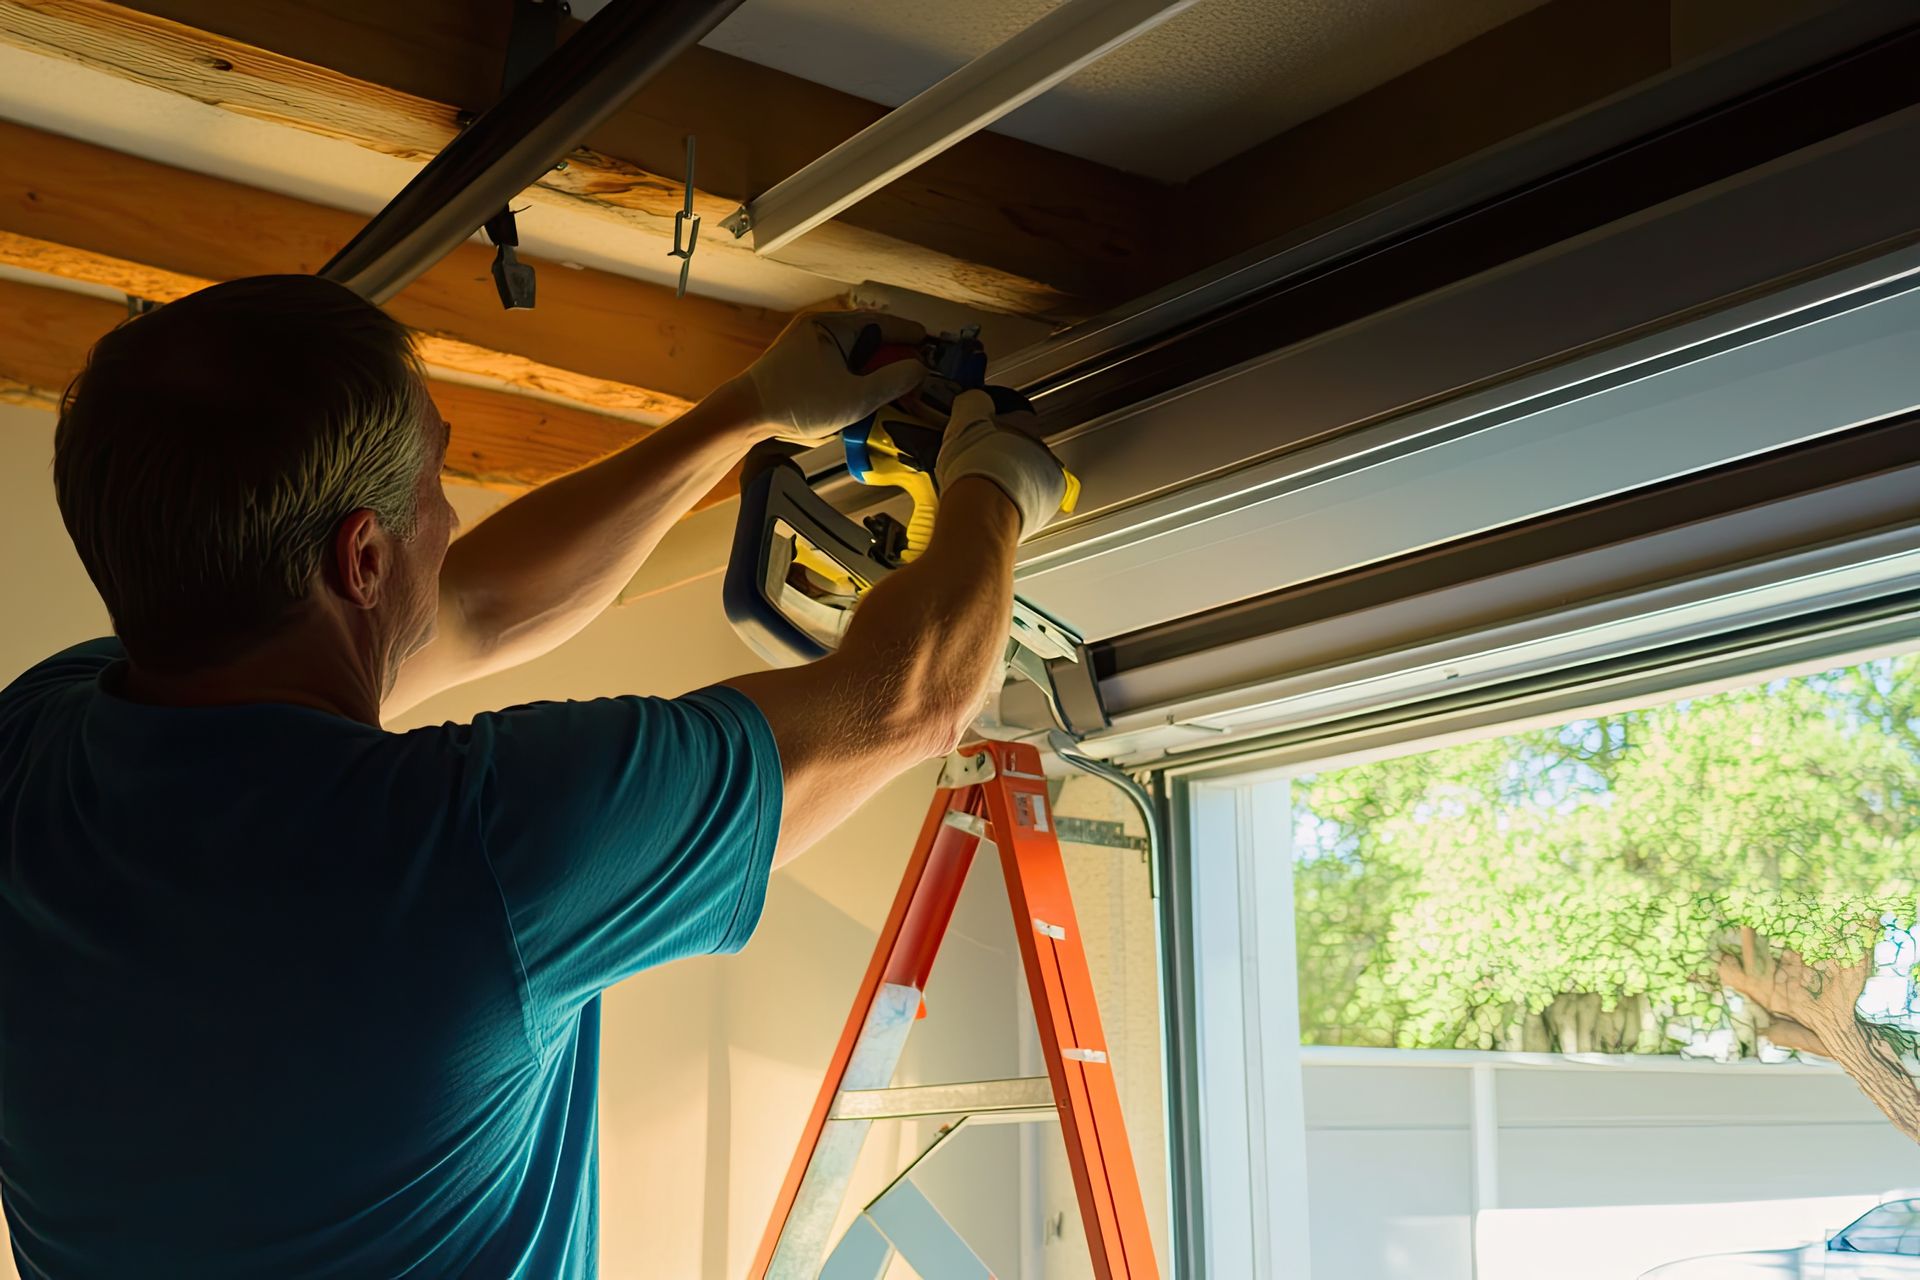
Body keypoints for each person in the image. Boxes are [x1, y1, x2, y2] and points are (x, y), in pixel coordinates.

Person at [0, 275, 1068, 1279]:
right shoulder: (480, 846)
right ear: (362, 559)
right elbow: (910, 697)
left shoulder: (31, 755)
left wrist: (746, 410)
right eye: (435, 484)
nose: (454, 517)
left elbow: (478, 607)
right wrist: (995, 486)